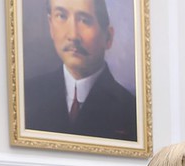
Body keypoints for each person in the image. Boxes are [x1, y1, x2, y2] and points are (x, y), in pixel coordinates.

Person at [25, 0, 137, 141]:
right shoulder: (28, 95)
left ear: (108, 37)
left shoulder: (131, 110)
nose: (73, 35)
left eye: (84, 20)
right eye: (61, 16)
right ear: (50, 26)